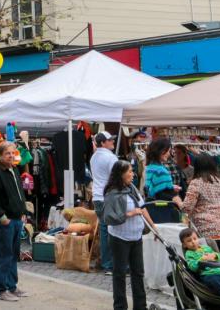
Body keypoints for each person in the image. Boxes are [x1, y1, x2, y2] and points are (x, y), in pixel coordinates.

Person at [104, 159, 150, 310]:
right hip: (119, 238)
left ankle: (140, 306)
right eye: (129, 171)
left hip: (136, 237)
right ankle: (120, 307)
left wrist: (153, 227)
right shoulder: (112, 193)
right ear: (121, 174)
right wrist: (130, 213)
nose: (133, 174)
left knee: (138, 272)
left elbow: (142, 208)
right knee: (120, 274)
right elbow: (109, 217)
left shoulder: (132, 188)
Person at [0, 141, 29, 302]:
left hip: (17, 219)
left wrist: (23, 211)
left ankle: (12, 286)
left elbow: (20, 193)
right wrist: (2, 217)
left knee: (13, 254)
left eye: (13, 153)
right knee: (3, 255)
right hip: (6, 221)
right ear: (0, 155)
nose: (11, 156)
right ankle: (1, 289)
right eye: (7, 153)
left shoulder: (14, 169)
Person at [182, 153, 220, 254]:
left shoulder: (196, 182)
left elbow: (187, 207)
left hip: (205, 234)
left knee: (207, 262)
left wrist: (178, 202)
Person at [89, 131, 118, 273]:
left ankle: (106, 263)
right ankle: (111, 264)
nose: (112, 141)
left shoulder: (94, 157)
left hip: (97, 196)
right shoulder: (110, 157)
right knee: (113, 230)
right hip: (108, 197)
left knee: (104, 230)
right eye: (110, 140)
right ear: (102, 143)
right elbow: (117, 177)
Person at [143, 138, 182, 223]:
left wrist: (170, 186)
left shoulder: (149, 167)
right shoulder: (161, 171)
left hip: (151, 209)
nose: (169, 154)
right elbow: (166, 194)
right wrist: (181, 206)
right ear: (161, 152)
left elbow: (154, 187)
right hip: (164, 212)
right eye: (168, 151)